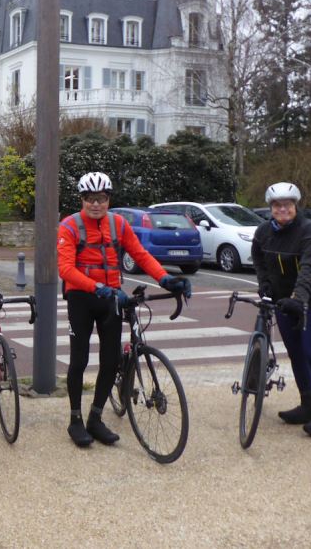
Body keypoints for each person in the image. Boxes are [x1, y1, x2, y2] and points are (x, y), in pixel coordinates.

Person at [57, 172, 192, 448]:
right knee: (79, 361)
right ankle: (75, 420)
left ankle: (95, 418)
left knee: (110, 361)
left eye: (101, 198)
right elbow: (66, 269)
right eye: (90, 199)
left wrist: (165, 278)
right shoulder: (69, 225)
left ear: (109, 199)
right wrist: (96, 287)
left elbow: (140, 254)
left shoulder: (118, 224)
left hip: (111, 298)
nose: (96, 204)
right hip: (81, 298)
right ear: (82, 199)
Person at [252, 182, 311, 437]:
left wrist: (299, 298)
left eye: (287, 204)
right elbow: (259, 259)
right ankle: (307, 404)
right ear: (271, 208)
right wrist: (265, 283)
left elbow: (310, 266)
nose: (282, 209)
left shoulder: (309, 230)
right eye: (277, 205)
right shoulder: (263, 232)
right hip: (283, 300)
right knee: (296, 353)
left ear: (295, 206)